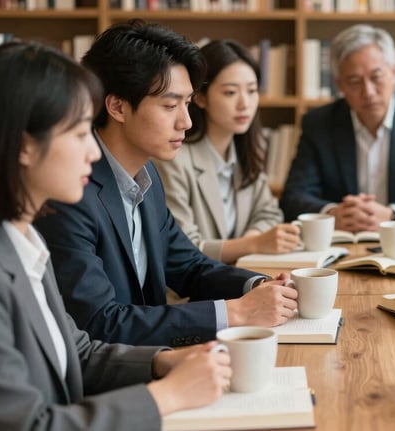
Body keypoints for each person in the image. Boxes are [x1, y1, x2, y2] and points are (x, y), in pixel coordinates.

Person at [0, 41, 232, 431]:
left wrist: (161, 361)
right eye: (80, 132)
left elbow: (76, 350)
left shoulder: (23, 241)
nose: (95, 153)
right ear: (25, 146)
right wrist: (167, 395)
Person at [34, 20, 298, 347]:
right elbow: (98, 322)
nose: (186, 122)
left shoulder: (146, 177)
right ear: (117, 106)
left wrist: (257, 286)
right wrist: (235, 314)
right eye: (170, 105)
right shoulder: (70, 193)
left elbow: (188, 266)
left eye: (187, 104)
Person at [279, 24, 395, 233]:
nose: (368, 92)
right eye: (354, 81)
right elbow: (293, 197)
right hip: (341, 242)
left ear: (394, 73)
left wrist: (394, 214)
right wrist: (333, 214)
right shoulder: (318, 123)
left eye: (376, 77)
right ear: (340, 85)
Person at [155, 40, 300, 264]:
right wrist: (253, 245)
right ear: (200, 98)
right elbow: (182, 248)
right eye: (231, 92)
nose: (245, 104)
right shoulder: (175, 160)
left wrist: (254, 238)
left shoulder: (245, 151)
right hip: (192, 294)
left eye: (252, 91)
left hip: (239, 277)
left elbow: (269, 213)